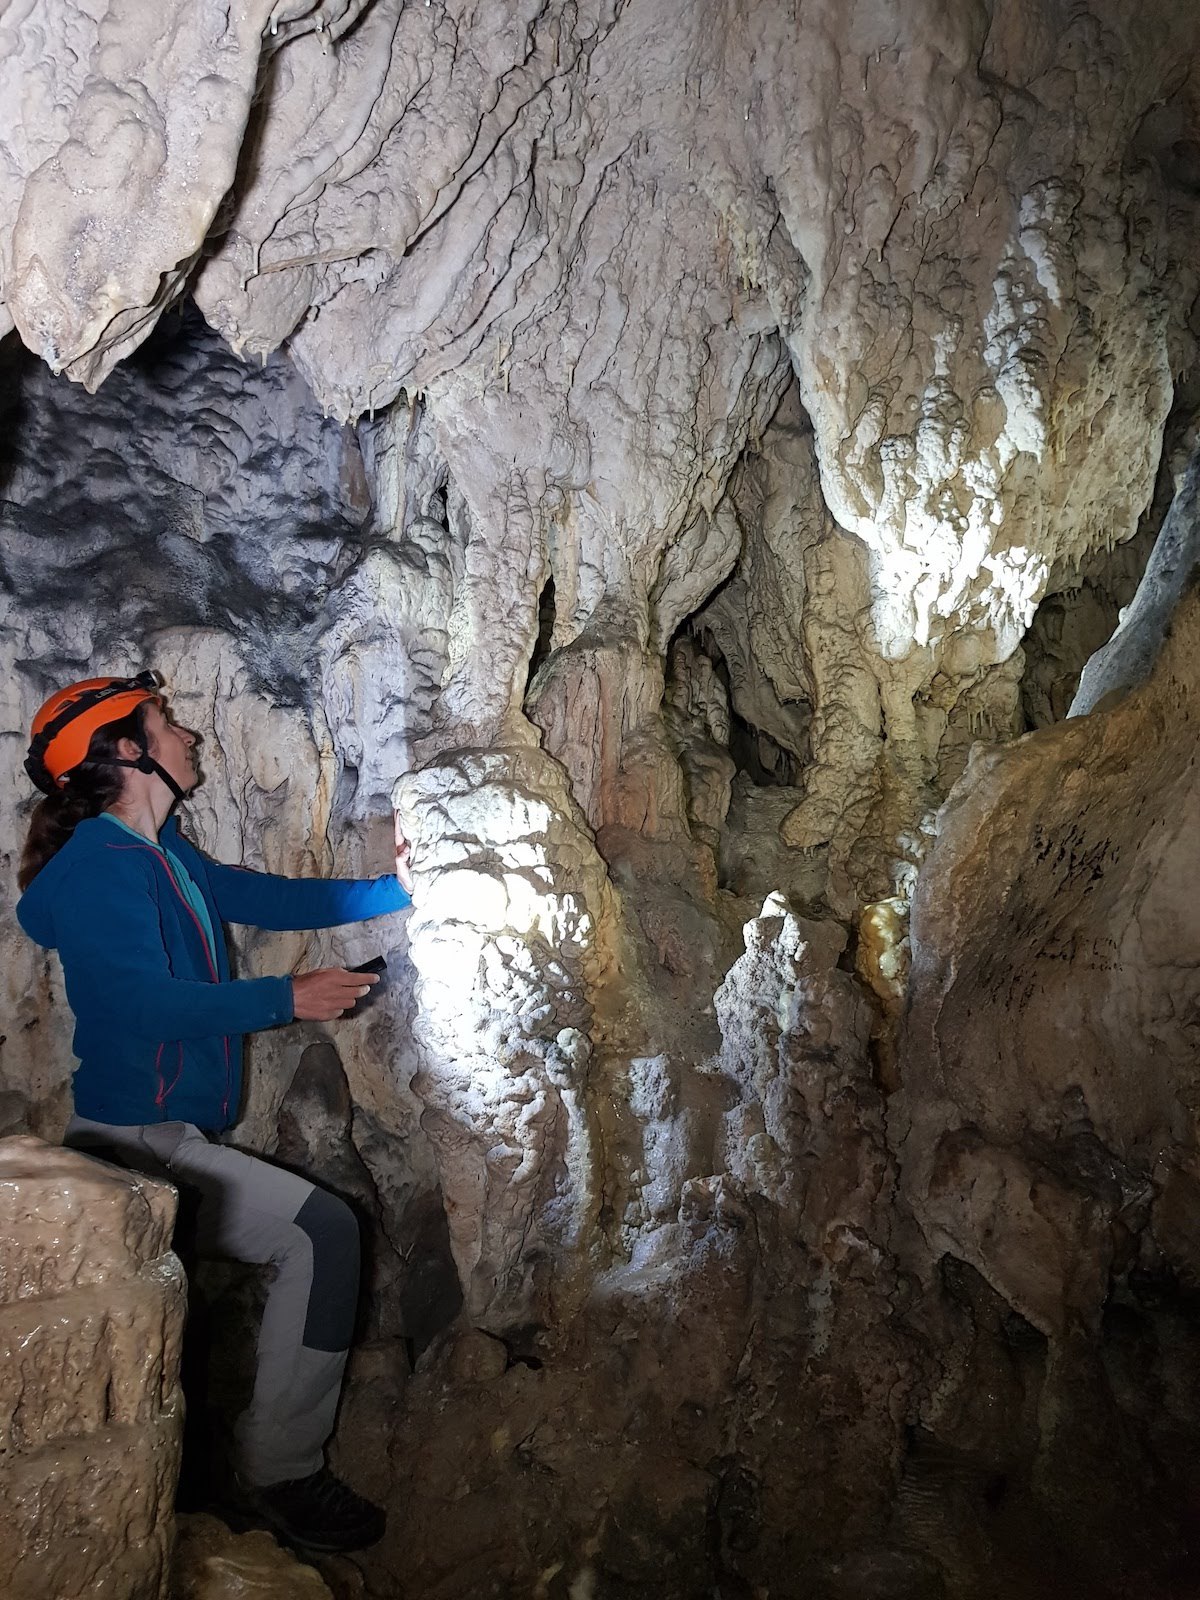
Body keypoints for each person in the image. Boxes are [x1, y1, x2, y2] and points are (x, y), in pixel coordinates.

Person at [15, 669, 414, 1555]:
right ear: (128, 752)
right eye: (169, 725)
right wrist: (287, 997)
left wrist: (392, 891)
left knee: (310, 1236)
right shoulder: (98, 868)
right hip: (127, 1149)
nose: (189, 738)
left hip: (164, 1139)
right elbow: (139, 1006)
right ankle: (282, 1473)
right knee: (320, 1232)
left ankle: (256, 1460)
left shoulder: (162, 852)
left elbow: (259, 895)